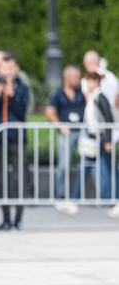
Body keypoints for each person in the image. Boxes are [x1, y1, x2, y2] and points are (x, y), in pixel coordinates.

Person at [0, 52, 30, 231]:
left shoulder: (22, 88)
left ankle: (18, 219)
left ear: (16, 69)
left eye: (10, 68)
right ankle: (5, 219)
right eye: (4, 68)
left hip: (16, 138)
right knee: (0, 179)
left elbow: (22, 112)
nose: (7, 72)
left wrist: (12, 94)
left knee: (18, 179)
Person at [46, 65, 85, 215]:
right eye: (76, 77)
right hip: (66, 133)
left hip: (81, 131)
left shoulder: (81, 93)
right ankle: (61, 195)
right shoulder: (58, 94)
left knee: (90, 162)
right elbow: (50, 112)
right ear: (67, 78)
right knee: (63, 165)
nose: (78, 79)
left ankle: (96, 195)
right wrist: (60, 126)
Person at [79, 71, 114, 202]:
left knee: (107, 169)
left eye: (88, 81)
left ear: (95, 82)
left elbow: (108, 119)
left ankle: (111, 198)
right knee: (91, 167)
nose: (87, 84)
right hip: (94, 137)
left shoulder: (100, 97)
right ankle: (76, 197)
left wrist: (108, 141)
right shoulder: (93, 97)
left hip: (101, 138)